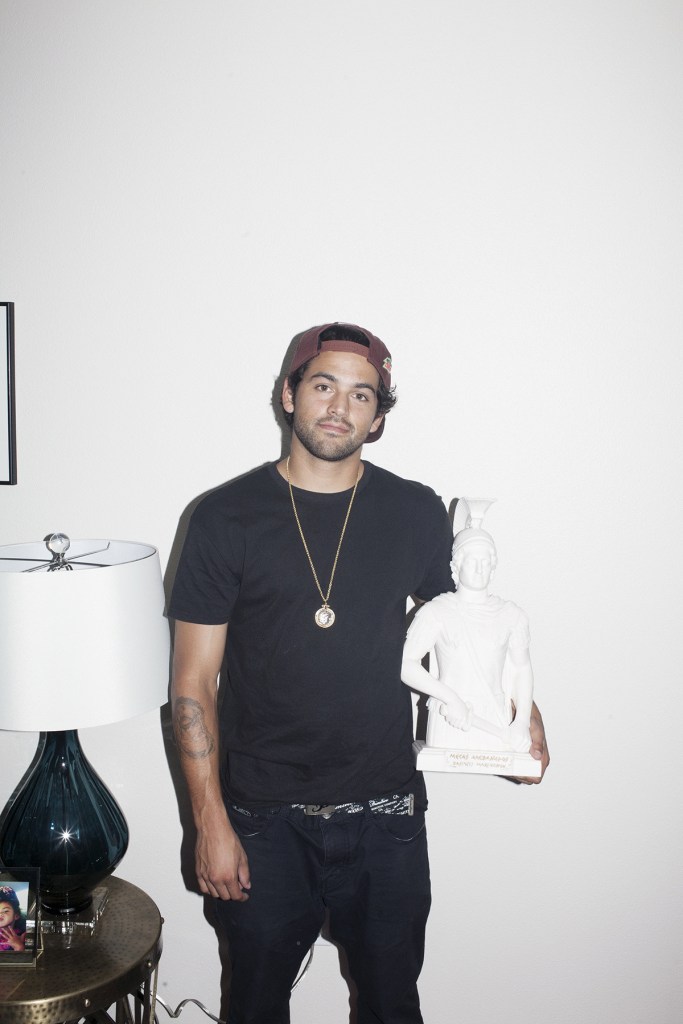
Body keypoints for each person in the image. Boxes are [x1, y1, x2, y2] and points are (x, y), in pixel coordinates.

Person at [169, 322, 549, 1024]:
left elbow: (466, 633)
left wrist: (519, 723)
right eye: (323, 385)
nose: (340, 406)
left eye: (361, 394)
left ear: (378, 417)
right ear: (289, 395)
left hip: (386, 817)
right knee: (252, 1008)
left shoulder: (413, 510)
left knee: (391, 1007)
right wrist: (208, 821)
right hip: (260, 820)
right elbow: (192, 684)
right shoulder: (224, 518)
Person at [401, 498, 536, 759]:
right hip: (449, 717)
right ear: (455, 567)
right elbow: (406, 663)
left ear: (494, 569)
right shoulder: (436, 612)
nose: (479, 567)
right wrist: (450, 698)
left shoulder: (512, 616)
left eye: (486, 561)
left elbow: (521, 669)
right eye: (472, 560)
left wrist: (521, 722)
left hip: (495, 720)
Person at [0, 886, 26, 952]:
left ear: (16, 915)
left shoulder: (23, 935)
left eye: (5, 911)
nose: (0, 914)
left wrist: (19, 947)